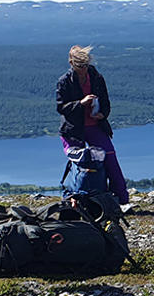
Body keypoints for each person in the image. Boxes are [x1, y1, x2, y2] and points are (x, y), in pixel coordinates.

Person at [55, 45, 129, 205]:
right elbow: (61, 108)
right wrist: (81, 103)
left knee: (110, 159)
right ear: (71, 63)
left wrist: (103, 114)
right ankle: (75, 199)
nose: (83, 69)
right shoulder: (64, 82)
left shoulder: (96, 78)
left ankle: (121, 199)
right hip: (73, 130)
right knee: (80, 164)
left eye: (86, 65)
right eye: (80, 66)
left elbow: (106, 102)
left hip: (95, 126)